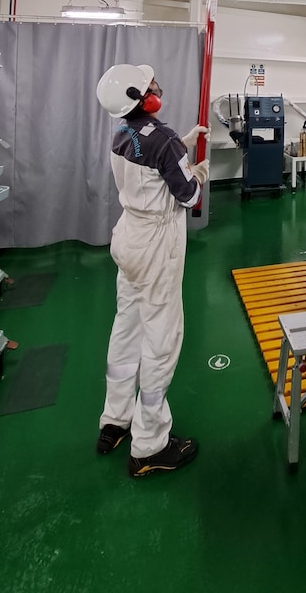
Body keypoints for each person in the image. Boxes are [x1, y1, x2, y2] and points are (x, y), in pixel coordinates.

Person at [94, 62, 210, 478]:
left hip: (127, 238)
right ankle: (149, 445)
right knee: (162, 339)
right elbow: (189, 195)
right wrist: (197, 170)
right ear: (141, 98)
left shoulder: (122, 133)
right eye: (150, 85)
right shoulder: (161, 139)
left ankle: (114, 420)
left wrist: (180, 145)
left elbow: (152, 160)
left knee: (126, 330)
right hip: (157, 246)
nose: (157, 87)